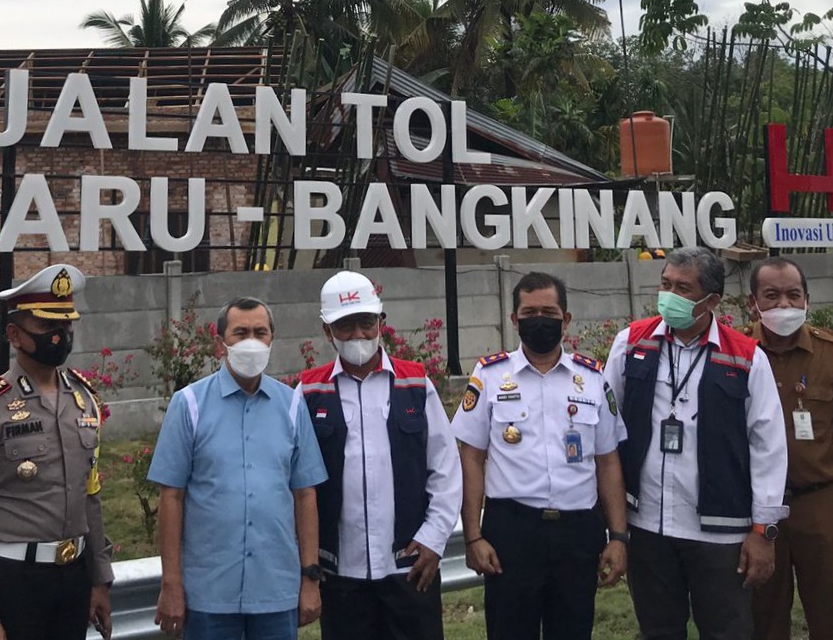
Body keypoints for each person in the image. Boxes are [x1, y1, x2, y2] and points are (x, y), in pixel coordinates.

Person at [603, 246, 788, 640]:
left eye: (683, 289)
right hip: (648, 525)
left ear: (712, 301)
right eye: (665, 284)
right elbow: (606, 428)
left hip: (720, 532)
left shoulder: (746, 358)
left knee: (727, 631)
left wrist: (763, 531)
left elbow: (769, 448)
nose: (669, 296)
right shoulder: (631, 344)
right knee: (658, 630)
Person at [451, 271, 629, 640]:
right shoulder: (490, 376)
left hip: (578, 532)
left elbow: (608, 461)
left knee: (573, 631)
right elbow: (471, 458)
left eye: (548, 312)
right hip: (512, 531)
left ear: (565, 320)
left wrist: (618, 537)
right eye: (529, 313)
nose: (539, 321)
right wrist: (472, 536)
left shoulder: (592, 378)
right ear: (514, 320)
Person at [0, 263, 114, 640]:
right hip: (12, 581)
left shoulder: (83, 399)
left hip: (72, 580)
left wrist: (99, 579)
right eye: (46, 326)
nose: (60, 336)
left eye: (66, 324)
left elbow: (91, 496)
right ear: (15, 334)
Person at [149, 296, 328, 640]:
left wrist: (310, 579)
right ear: (221, 344)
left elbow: (305, 495)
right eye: (240, 332)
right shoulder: (188, 405)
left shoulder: (292, 405)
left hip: (275, 589)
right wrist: (171, 583)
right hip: (208, 594)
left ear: (272, 339)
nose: (251, 341)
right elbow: (171, 497)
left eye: (260, 333)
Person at [294, 271, 460, 640]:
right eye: (345, 326)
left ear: (381, 323)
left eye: (366, 323)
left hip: (410, 567)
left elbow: (445, 469)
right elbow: (294, 483)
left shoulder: (416, 383)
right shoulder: (308, 391)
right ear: (327, 331)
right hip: (339, 573)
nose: (358, 336)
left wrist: (434, 539)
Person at [744, 257, 833, 640]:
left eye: (793, 295)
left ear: (807, 300)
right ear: (753, 304)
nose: (784, 305)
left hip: (820, 507)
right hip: (757, 514)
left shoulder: (829, 355)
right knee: (763, 619)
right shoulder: (737, 354)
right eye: (772, 295)